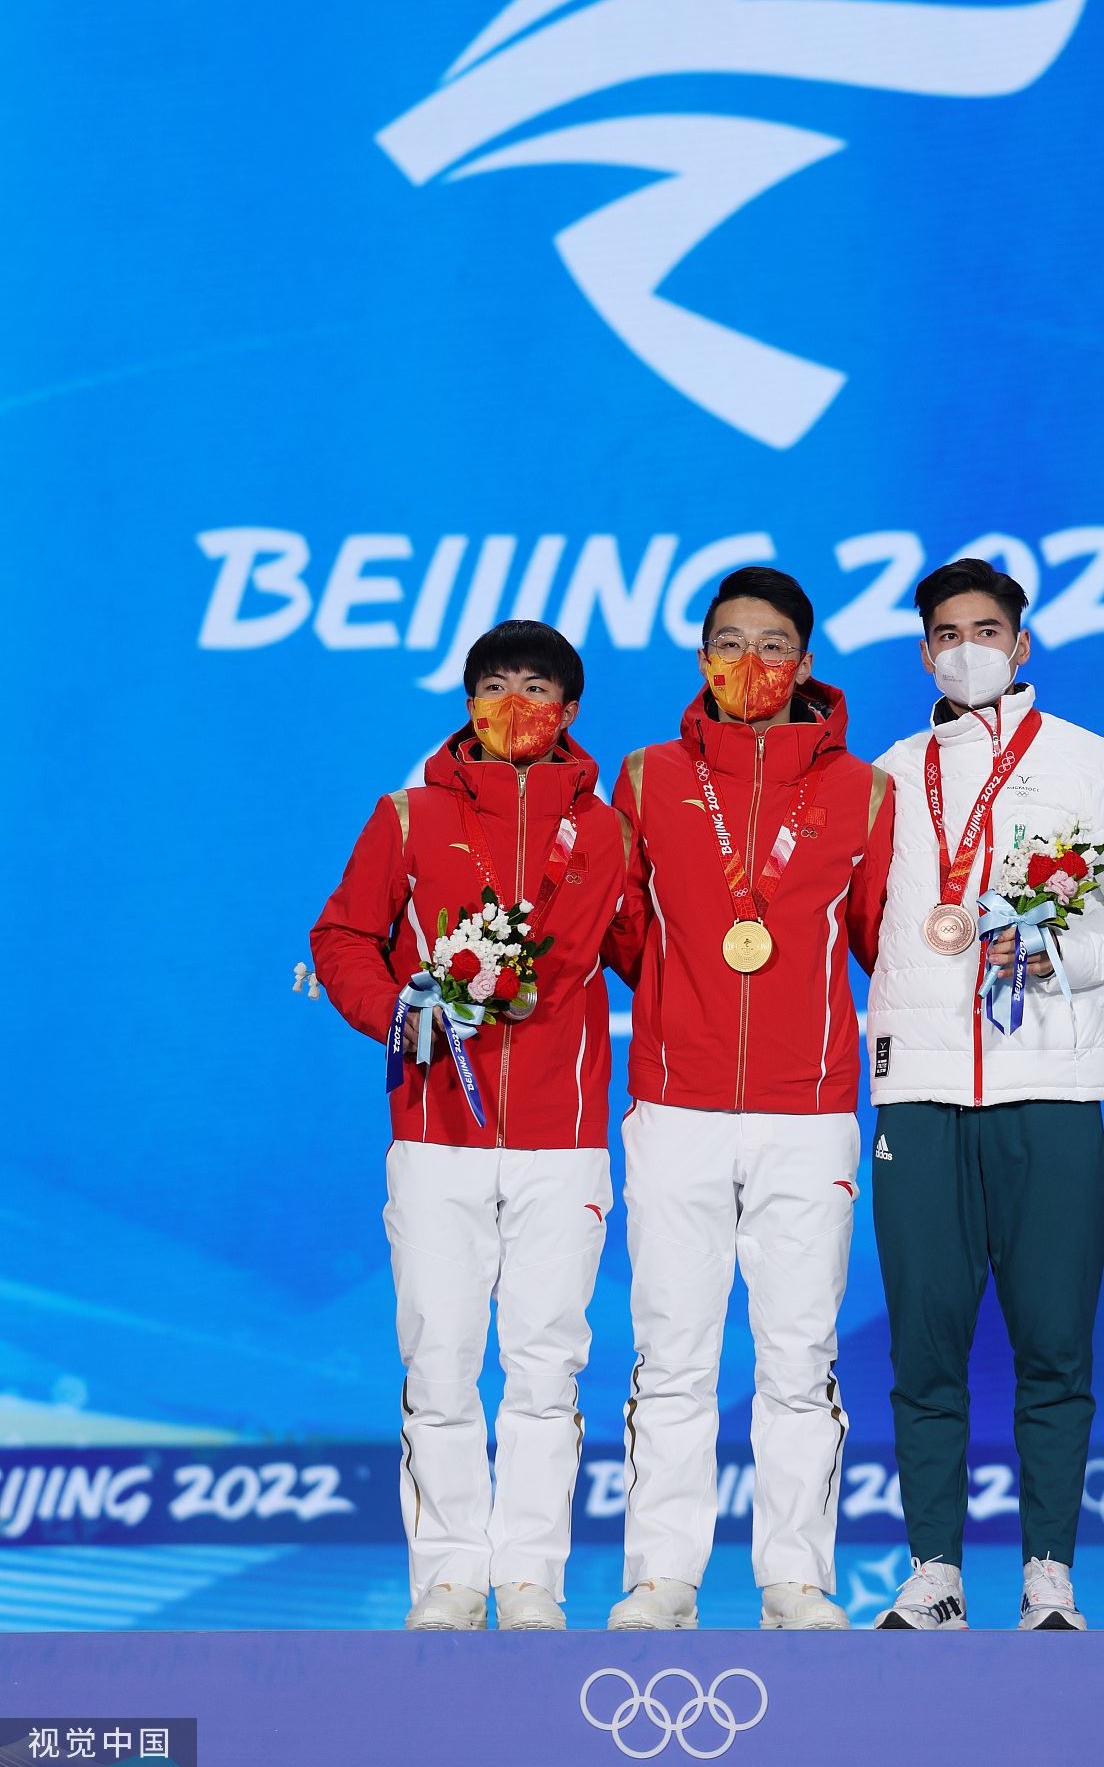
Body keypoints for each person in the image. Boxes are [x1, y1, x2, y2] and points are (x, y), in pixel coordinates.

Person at [866, 558, 1104, 1631]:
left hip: (1051, 1083)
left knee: (1054, 1342)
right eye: (945, 632)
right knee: (924, 1347)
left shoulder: (1085, 758)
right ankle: (933, 1572)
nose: (965, 647)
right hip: (919, 1093)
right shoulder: (890, 773)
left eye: (985, 629)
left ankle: (1048, 1573)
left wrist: (1066, 958)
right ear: (924, 651)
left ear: (1020, 643)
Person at [309, 620, 634, 1632]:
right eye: (493, 685)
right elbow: (341, 935)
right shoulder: (409, 815)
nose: (513, 704)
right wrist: (396, 1012)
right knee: (440, 1360)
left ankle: (531, 1575)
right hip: (435, 1134)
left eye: (535, 687)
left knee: (546, 1367)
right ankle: (448, 1576)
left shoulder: (610, 831)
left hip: (562, 1137)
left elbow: (649, 953)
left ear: (569, 709)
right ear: (467, 702)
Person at [606, 566, 895, 1632]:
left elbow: (879, 944)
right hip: (675, 1104)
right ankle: (661, 1578)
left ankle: (794, 1581)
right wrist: (684, 1005)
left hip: (807, 1109)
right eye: (728, 642)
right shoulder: (646, 778)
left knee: (798, 1358)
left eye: (773, 645)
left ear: (806, 662)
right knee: (671, 1355)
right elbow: (623, 932)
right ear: (701, 658)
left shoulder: (865, 793)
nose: (750, 662)